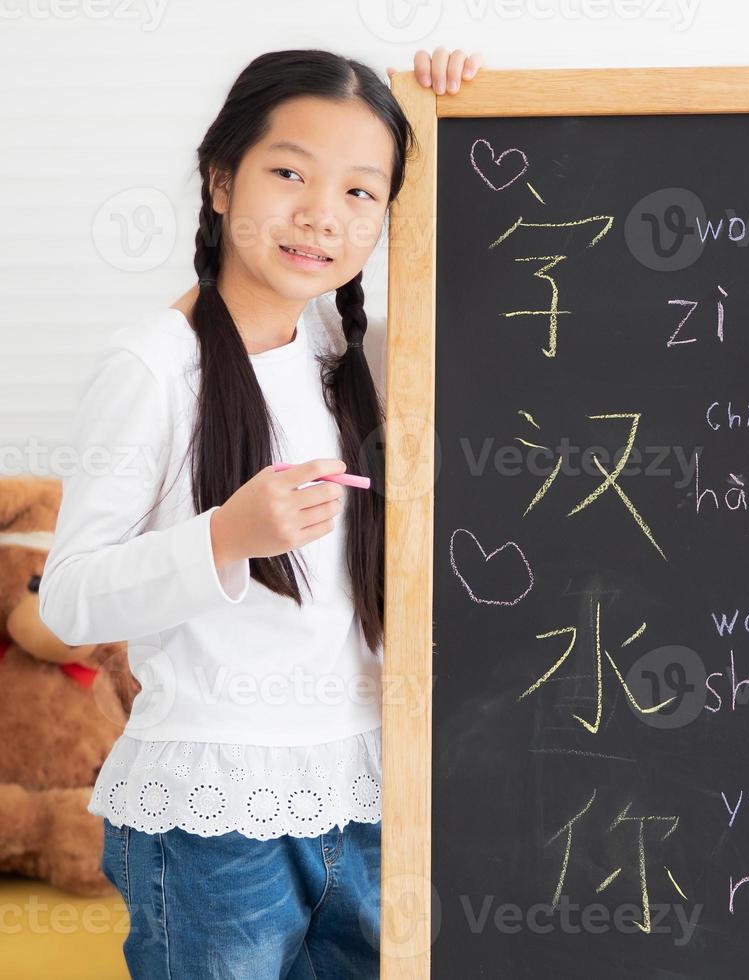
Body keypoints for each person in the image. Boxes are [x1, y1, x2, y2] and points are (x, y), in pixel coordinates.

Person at [39, 46, 481, 979]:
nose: (322, 213)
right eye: (288, 173)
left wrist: (453, 116)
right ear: (220, 178)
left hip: (371, 788)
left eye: (362, 192)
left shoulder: (353, 347)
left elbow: (498, 286)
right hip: (215, 818)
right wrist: (226, 537)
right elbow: (68, 601)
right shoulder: (155, 367)